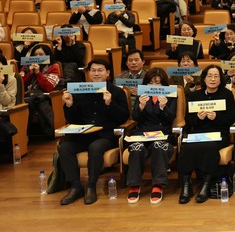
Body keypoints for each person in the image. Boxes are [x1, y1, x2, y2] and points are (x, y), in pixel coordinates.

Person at [58, 59, 129, 205]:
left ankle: (91, 186)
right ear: (89, 73)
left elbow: (123, 117)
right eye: (93, 70)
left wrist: (109, 104)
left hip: (106, 135)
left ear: (108, 73)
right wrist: (70, 105)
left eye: (100, 70)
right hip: (84, 135)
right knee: (65, 147)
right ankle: (76, 186)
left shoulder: (117, 92)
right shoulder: (79, 91)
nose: (96, 73)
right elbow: (73, 119)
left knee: (95, 148)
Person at [178, 65, 235, 204]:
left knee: (210, 146)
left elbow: (231, 118)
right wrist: (198, 118)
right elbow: (188, 120)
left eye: (216, 76)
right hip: (198, 133)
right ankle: (186, 186)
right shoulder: (195, 96)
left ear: (220, 79)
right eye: (209, 76)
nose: (213, 79)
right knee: (186, 146)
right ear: (204, 78)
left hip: (219, 133)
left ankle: (206, 184)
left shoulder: (227, 94)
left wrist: (216, 117)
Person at [125, 68, 177, 204]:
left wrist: (163, 107)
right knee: (136, 148)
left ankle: (158, 185)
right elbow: (135, 117)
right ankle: (134, 185)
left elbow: (170, 118)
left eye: (157, 83)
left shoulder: (171, 95)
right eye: (150, 83)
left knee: (158, 146)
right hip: (143, 133)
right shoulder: (142, 95)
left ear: (164, 84)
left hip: (162, 133)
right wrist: (141, 106)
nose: (154, 86)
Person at [20, 44, 59, 136]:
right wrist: (30, 73)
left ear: (47, 56)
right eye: (35, 55)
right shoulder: (25, 67)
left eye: (41, 55)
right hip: (26, 95)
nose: (37, 57)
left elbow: (48, 87)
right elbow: (20, 85)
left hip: (43, 97)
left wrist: (38, 73)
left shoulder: (53, 67)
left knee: (37, 103)